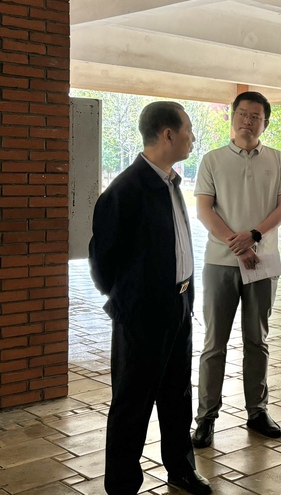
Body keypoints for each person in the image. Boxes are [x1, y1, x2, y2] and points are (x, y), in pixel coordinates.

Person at [89, 102, 212, 495]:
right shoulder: (125, 190)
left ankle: (181, 469)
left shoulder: (171, 183)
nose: (193, 137)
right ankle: (123, 485)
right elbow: (102, 261)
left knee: (177, 395)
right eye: (188, 129)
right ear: (168, 134)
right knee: (133, 403)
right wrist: (131, 301)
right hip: (142, 314)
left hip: (179, 305)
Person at [191, 91, 281, 448]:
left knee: (257, 340)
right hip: (220, 262)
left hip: (263, 262)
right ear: (232, 118)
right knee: (214, 342)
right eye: (242, 114)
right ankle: (206, 417)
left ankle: (257, 411)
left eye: (255, 116)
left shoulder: (277, 159)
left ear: (266, 122)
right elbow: (205, 209)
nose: (248, 121)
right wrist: (237, 245)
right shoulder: (212, 159)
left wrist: (254, 236)